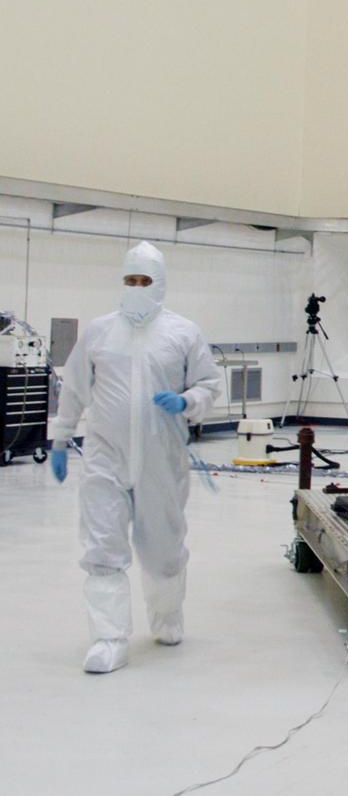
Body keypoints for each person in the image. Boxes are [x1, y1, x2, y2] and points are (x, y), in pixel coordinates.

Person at [50, 241, 223, 673]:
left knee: (163, 548)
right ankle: (109, 638)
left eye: (145, 280)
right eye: (130, 279)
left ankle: (166, 617)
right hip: (105, 456)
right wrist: (60, 437)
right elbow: (72, 387)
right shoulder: (99, 331)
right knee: (102, 546)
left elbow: (209, 384)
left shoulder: (183, 333)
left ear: (160, 284)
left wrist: (186, 401)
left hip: (161, 459)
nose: (136, 287)